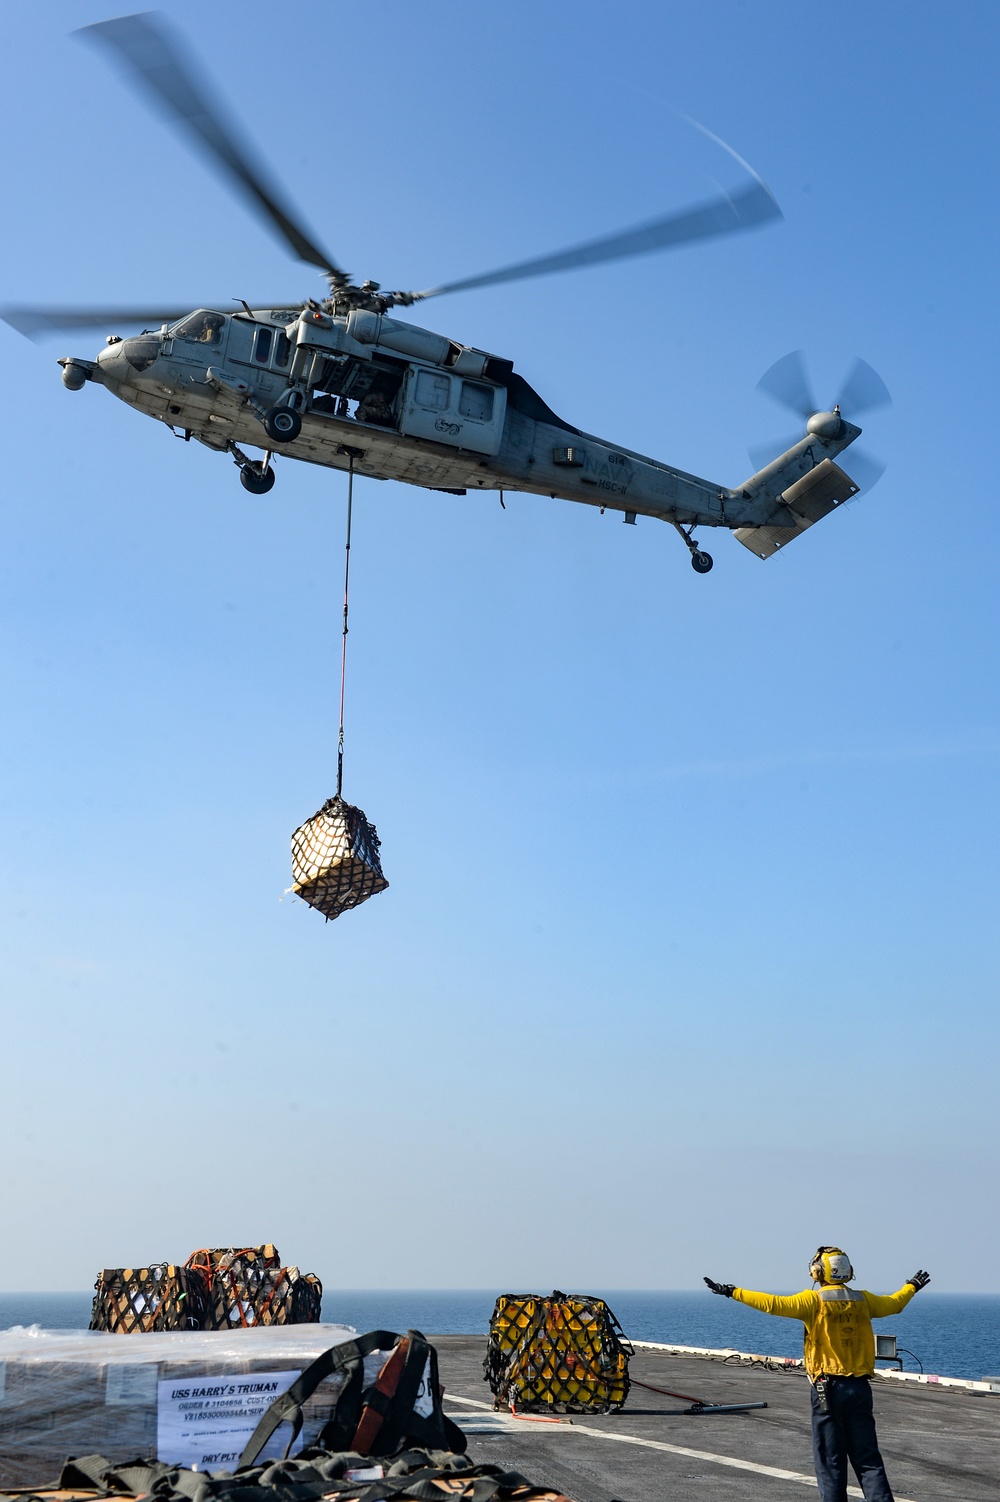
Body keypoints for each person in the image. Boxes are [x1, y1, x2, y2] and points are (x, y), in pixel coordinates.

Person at [704, 1248, 930, 1502]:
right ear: (848, 1271)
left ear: (817, 1271)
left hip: (829, 1391)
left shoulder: (813, 1301)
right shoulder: (863, 1300)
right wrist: (911, 1286)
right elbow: (895, 1303)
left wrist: (732, 1291)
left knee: (831, 1462)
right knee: (868, 1460)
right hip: (860, 1389)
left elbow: (772, 1304)